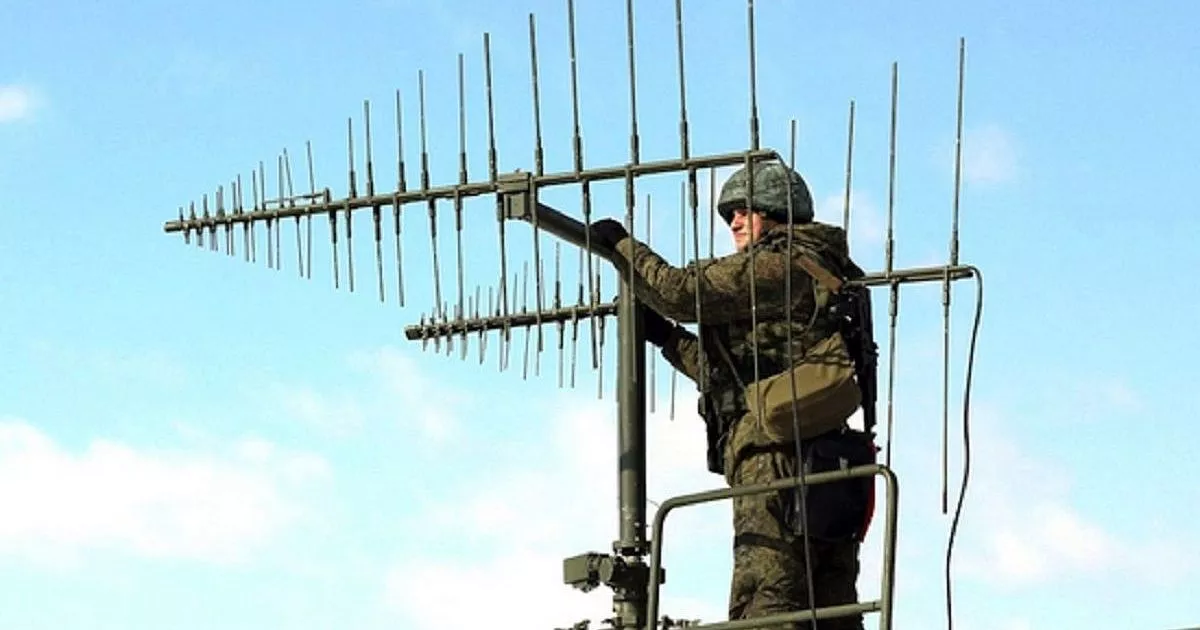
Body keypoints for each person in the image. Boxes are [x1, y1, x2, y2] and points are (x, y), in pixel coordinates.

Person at [588, 160, 876, 630]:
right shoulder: (818, 268)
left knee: (766, 598)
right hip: (827, 458)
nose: (735, 223)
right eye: (730, 215)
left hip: (775, 456)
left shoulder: (781, 264)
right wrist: (667, 338)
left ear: (776, 211)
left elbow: (681, 292)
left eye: (744, 211)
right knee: (828, 601)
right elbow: (735, 380)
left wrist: (622, 245)